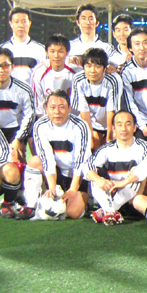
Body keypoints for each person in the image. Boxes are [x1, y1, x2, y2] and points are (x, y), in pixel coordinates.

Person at [24, 90, 91, 219]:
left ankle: (85, 200)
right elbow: (46, 158)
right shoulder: (40, 126)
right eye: (53, 107)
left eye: (62, 107)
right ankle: (31, 206)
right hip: (57, 171)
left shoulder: (80, 126)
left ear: (69, 108)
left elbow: (81, 161)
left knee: (73, 213)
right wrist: (52, 187)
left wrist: (73, 190)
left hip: (77, 176)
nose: (57, 112)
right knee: (34, 161)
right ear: (46, 109)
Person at [85, 109, 147, 226]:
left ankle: (106, 210)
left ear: (135, 128)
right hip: (111, 193)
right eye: (119, 124)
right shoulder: (106, 149)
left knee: (135, 175)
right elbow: (87, 168)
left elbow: (144, 170)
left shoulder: (144, 147)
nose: (123, 129)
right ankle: (111, 212)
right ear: (113, 128)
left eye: (128, 124)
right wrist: (99, 180)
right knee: (94, 176)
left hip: (131, 196)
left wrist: (122, 183)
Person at [69, 47, 123, 151]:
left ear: (104, 68)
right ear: (83, 67)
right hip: (91, 123)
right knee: (92, 146)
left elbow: (111, 110)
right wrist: (90, 138)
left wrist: (109, 136)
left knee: (111, 147)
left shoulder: (113, 80)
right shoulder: (78, 80)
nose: (92, 70)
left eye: (97, 66)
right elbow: (84, 111)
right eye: (88, 66)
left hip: (111, 122)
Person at [0, 7, 47, 84]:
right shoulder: (2, 49)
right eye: (16, 22)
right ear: (11, 24)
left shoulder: (40, 50)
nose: (20, 25)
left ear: (30, 23)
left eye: (24, 21)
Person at [30, 34, 77, 111]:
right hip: (47, 117)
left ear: (67, 52)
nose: (56, 55)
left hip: (72, 116)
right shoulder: (38, 72)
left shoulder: (76, 71)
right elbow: (38, 105)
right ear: (46, 52)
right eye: (52, 51)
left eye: (60, 51)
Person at [67, 3, 116, 71]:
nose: (87, 22)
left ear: (97, 23)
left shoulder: (107, 47)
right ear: (78, 22)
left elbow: (116, 65)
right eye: (84, 18)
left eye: (91, 18)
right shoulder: (69, 46)